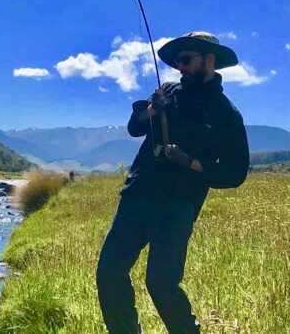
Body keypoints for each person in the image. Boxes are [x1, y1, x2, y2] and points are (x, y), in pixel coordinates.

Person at [96, 31, 250, 334]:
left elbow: (236, 173)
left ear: (210, 60)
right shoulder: (167, 92)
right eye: (177, 61)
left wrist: (191, 163)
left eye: (186, 60)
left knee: (161, 284)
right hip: (137, 195)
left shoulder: (226, 114)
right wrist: (153, 109)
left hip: (178, 207)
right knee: (109, 273)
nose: (180, 67)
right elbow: (134, 127)